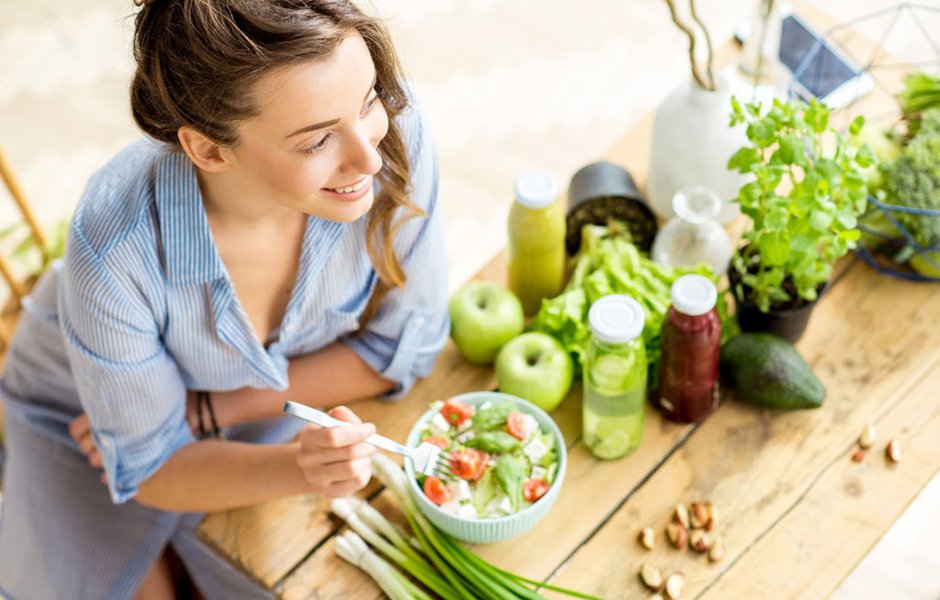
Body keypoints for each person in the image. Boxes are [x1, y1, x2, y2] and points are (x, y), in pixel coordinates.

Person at [0, 0, 449, 597]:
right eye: (317, 140)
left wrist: (216, 411)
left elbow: (406, 344)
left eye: (367, 100)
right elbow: (153, 465)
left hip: (254, 416)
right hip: (79, 418)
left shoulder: (393, 137)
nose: (370, 153)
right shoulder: (113, 244)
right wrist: (300, 467)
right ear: (209, 149)